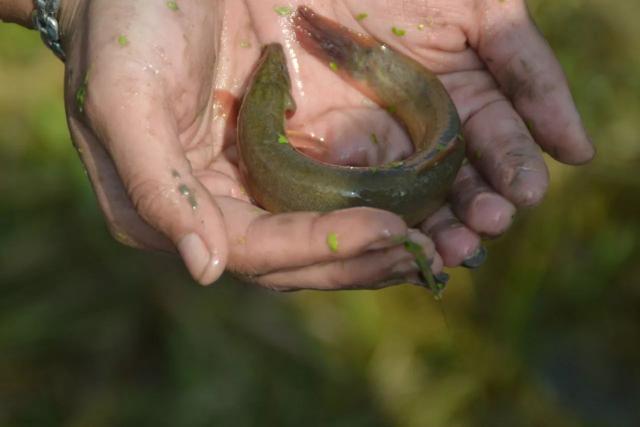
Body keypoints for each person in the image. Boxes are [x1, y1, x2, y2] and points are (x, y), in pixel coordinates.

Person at [0, 0, 594, 290]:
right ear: (278, 111)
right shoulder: (267, 123)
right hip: (401, 171)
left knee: (435, 162)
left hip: (412, 163)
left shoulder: (267, 120)